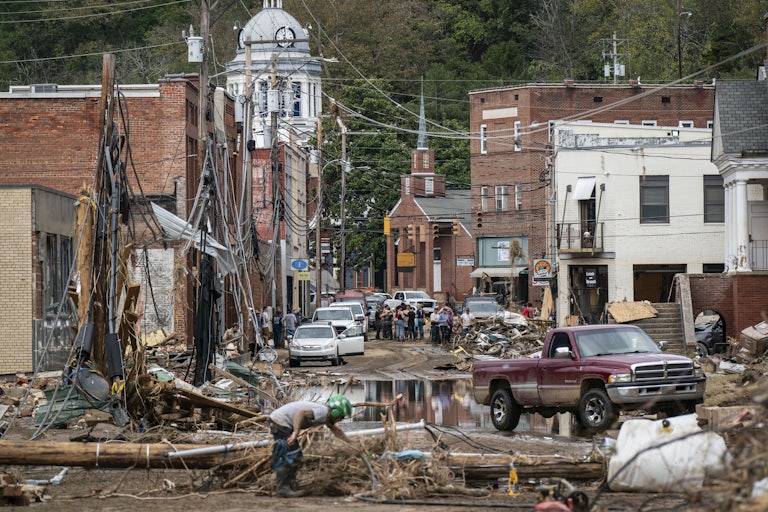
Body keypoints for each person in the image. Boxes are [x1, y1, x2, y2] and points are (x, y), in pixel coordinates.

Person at [268, 395, 354, 497]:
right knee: (293, 455)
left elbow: (336, 431)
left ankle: (287, 487)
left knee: (292, 455)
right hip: (281, 421)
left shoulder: (326, 417)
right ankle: (283, 489)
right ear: (336, 412)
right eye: (342, 417)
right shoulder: (323, 412)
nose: (341, 420)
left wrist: (352, 442)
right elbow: (301, 413)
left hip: (279, 421)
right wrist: (296, 432)